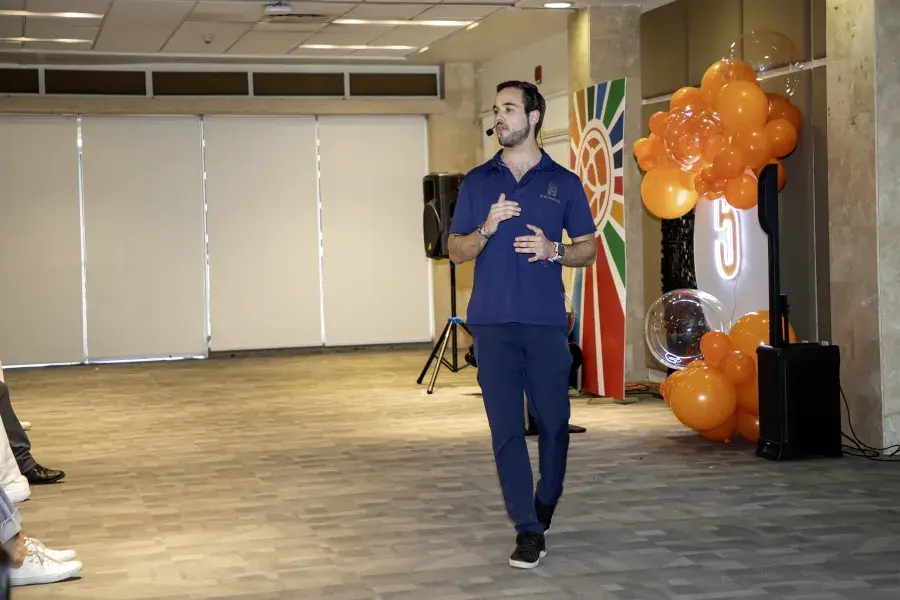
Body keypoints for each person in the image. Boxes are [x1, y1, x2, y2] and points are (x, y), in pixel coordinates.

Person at [448, 80, 597, 569]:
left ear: (534, 117)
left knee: (554, 424)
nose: (499, 117)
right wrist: (486, 229)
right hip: (491, 326)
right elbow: (455, 250)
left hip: (546, 324)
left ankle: (546, 499)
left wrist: (554, 250)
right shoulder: (477, 182)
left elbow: (588, 249)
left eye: (509, 108)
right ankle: (527, 529)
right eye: (496, 110)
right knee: (507, 431)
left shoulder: (564, 183)